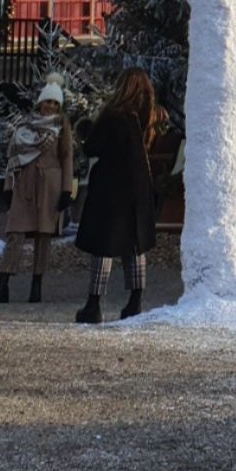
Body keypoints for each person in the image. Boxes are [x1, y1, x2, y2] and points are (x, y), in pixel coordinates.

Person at [73, 68, 159, 325]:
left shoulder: (114, 116)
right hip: (138, 187)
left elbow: (94, 147)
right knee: (135, 244)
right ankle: (135, 301)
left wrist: (85, 131)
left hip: (111, 188)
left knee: (104, 244)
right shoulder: (145, 117)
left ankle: (94, 304)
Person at [0, 82, 75, 305]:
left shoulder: (61, 127)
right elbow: (13, 159)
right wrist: (8, 187)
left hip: (49, 185)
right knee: (14, 233)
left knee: (44, 236)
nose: (50, 106)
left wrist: (66, 190)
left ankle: (37, 286)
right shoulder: (24, 126)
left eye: (55, 103)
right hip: (24, 184)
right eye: (47, 101)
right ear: (40, 102)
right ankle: (2, 284)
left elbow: (67, 158)